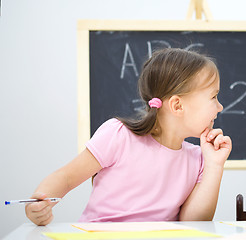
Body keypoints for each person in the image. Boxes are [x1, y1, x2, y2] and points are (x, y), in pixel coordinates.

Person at [25, 48, 232, 225]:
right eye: (213, 97)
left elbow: (193, 223)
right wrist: (39, 202)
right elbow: (66, 177)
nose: (220, 107)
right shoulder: (118, 135)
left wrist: (215, 166)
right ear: (177, 105)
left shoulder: (199, 158)